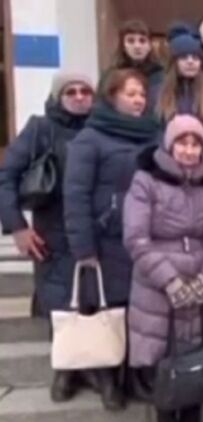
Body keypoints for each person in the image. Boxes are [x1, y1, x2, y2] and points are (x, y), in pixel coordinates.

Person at [124, 115, 203, 422]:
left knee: (197, 373)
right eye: (182, 143)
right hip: (158, 290)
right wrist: (170, 280)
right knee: (165, 376)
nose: (189, 150)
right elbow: (136, 238)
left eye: (195, 144)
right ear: (170, 146)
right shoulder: (146, 180)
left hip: (201, 290)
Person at [64, 68, 161, 410]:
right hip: (106, 241)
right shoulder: (90, 138)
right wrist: (83, 247)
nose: (138, 101)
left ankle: (137, 375)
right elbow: (76, 195)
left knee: (140, 312)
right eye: (130, 94)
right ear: (111, 96)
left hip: (145, 239)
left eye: (142, 94)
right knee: (108, 309)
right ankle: (108, 380)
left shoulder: (153, 133)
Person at [0, 71, 94, 402]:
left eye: (85, 91)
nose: (79, 97)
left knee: (94, 302)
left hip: (93, 232)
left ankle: (98, 369)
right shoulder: (40, 129)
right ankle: (65, 372)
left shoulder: (101, 129)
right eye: (71, 91)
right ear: (58, 96)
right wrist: (16, 226)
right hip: (51, 234)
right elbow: (6, 177)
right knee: (59, 303)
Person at [98, 20, 164, 112]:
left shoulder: (160, 76)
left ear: (149, 46)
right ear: (123, 46)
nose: (137, 46)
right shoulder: (109, 76)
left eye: (142, 41)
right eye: (131, 41)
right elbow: (101, 106)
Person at [156, 23, 203, 124]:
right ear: (174, 62)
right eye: (183, 57)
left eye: (195, 58)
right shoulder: (158, 90)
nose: (190, 62)